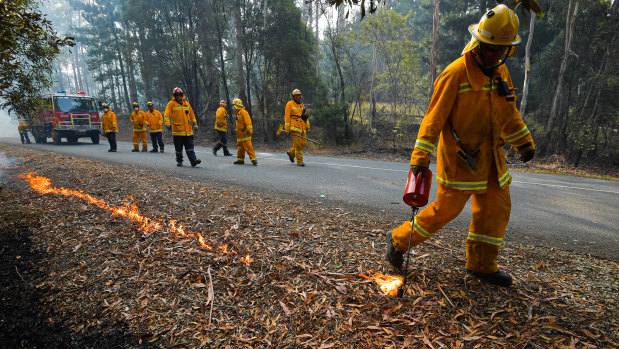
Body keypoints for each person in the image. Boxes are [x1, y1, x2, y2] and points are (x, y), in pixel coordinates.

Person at [386, 4, 535, 287]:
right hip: (460, 162)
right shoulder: (455, 74)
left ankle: (482, 264)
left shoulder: (501, 73)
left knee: (496, 210)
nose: (493, 55)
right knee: (445, 211)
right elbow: (433, 119)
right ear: (478, 42)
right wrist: (420, 157)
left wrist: (524, 142)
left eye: (499, 50)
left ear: (508, 51)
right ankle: (398, 240)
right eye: (489, 48)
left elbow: (509, 113)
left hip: (492, 162)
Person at [164, 87, 201, 167]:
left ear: (182, 95)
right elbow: (166, 115)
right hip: (178, 131)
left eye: (180, 94)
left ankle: (193, 161)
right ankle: (179, 161)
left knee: (190, 147)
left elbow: (192, 114)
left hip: (188, 131)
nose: (178, 96)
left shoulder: (187, 104)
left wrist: (195, 123)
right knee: (178, 148)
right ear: (174, 96)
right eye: (176, 95)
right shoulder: (171, 104)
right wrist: (167, 123)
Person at [284, 89, 310, 167]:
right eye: (296, 95)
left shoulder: (302, 105)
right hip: (295, 127)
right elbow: (287, 116)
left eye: (298, 95)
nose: (297, 96)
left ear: (300, 96)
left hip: (302, 127)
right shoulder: (289, 104)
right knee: (298, 145)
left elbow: (306, 117)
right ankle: (300, 161)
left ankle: (291, 153)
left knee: (304, 143)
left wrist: (307, 126)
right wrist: (287, 127)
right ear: (293, 96)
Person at [232, 98, 257, 166]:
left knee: (248, 146)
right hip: (240, 134)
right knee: (240, 147)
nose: (233, 107)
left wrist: (249, 131)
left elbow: (248, 122)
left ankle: (253, 160)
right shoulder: (238, 113)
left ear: (236, 105)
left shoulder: (244, 112)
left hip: (245, 133)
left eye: (233, 105)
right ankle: (240, 160)